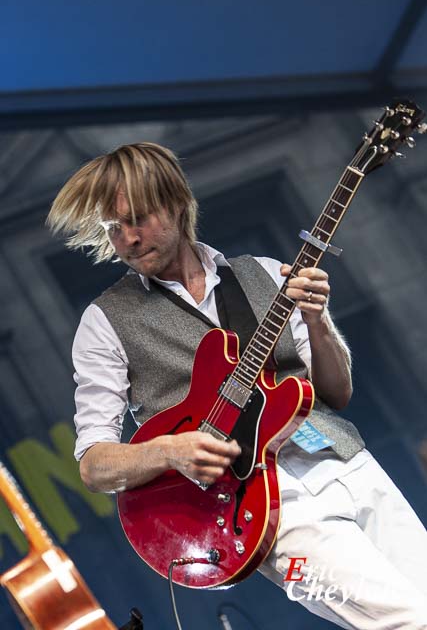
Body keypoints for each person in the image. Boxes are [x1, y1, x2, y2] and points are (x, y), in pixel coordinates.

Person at [47, 142, 427, 629]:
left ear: (177, 202)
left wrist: (317, 321)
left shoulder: (264, 274)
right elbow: (94, 465)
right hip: (261, 520)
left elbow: (337, 393)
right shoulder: (104, 322)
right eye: (113, 229)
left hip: (348, 466)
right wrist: (169, 451)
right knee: (410, 620)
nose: (128, 239)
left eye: (137, 219)